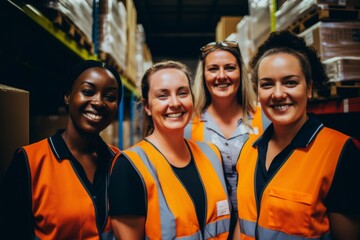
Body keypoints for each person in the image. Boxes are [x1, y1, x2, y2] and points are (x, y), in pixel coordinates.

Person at [234, 30, 360, 240]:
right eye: (267, 84)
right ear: (258, 93)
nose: (278, 93)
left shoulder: (341, 153)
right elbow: (243, 223)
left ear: (309, 88)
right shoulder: (248, 150)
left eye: (290, 82)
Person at [0, 59, 123, 239]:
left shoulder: (120, 163)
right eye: (88, 91)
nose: (98, 102)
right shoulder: (30, 161)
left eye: (110, 97)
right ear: (68, 96)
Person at [109, 60, 231, 239]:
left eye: (182, 93)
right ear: (147, 107)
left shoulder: (212, 155)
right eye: (162, 96)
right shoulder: (129, 166)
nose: (175, 103)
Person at [184, 40, 270, 238]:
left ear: (240, 72)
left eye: (229, 68)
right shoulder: (190, 125)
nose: (221, 76)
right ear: (203, 75)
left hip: (257, 225)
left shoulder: (263, 118)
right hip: (209, 227)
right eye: (213, 69)